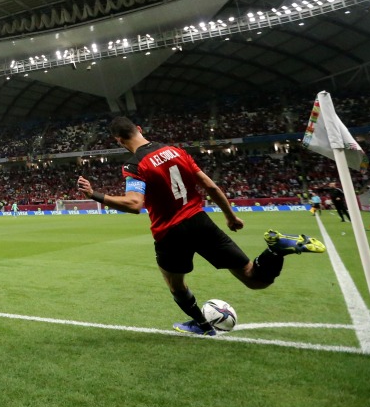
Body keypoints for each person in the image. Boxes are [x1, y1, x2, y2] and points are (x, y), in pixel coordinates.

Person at [78, 116, 326, 337]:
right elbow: (211, 187)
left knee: (176, 285)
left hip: (170, 233)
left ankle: (202, 325)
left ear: (119, 140)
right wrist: (230, 216)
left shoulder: (134, 165)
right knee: (255, 278)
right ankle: (275, 250)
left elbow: (134, 204)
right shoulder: (176, 151)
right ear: (139, 129)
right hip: (200, 221)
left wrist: (94, 194)